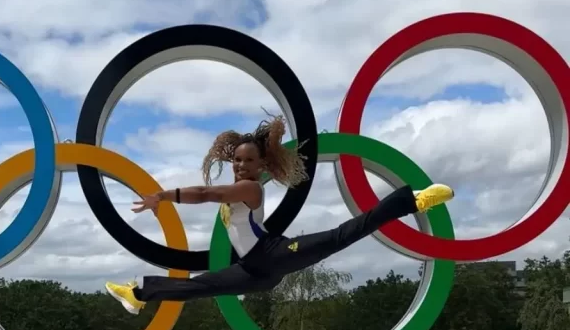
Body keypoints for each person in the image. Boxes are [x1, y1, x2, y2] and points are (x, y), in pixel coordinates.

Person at [105, 115, 454, 315]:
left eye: (249, 161)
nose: (242, 166)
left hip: (271, 255)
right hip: (254, 272)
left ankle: (413, 201)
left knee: (339, 236)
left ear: (261, 166)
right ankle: (138, 295)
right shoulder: (241, 185)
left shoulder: (250, 189)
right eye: (238, 160)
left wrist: (164, 196)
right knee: (201, 286)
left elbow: (208, 193)